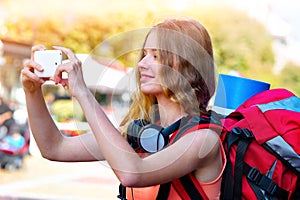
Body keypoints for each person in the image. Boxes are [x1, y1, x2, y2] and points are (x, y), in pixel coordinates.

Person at [21, 18, 226, 200]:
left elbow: (133, 173)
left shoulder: (203, 138)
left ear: (187, 66)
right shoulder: (141, 134)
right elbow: (54, 147)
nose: (142, 64)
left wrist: (83, 93)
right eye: (144, 54)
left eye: (156, 56)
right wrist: (32, 92)